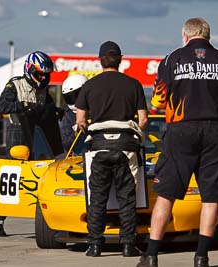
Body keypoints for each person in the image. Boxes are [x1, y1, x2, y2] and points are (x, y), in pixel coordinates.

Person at [136, 18, 218, 267]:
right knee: (211, 197)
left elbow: (158, 102)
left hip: (181, 131)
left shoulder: (172, 59)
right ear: (207, 36)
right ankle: (201, 256)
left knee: (165, 195)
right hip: (216, 131)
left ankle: (151, 256)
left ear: (186, 36)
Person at [76, 41, 148, 257]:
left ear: (100, 60)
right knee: (127, 198)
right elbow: (143, 119)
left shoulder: (89, 86)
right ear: (120, 59)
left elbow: (80, 120)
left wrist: (90, 129)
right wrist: (134, 129)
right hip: (126, 147)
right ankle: (128, 245)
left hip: (98, 147)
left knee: (97, 198)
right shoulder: (133, 84)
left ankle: (95, 245)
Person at [0, 51, 63, 237]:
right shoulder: (14, 84)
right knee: (13, 173)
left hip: (38, 135)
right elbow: (3, 107)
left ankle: (48, 216)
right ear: (30, 69)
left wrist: (56, 111)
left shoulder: (44, 90)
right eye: (39, 74)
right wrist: (23, 106)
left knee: (43, 172)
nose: (43, 77)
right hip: (18, 134)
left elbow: (46, 107)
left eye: (45, 75)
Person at [60, 74, 88, 151]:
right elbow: (66, 144)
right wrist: (77, 131)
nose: (72, 100)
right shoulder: (69, 116)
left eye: (75, 96)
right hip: (78, 156)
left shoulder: (98, 109)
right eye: (69, 97)